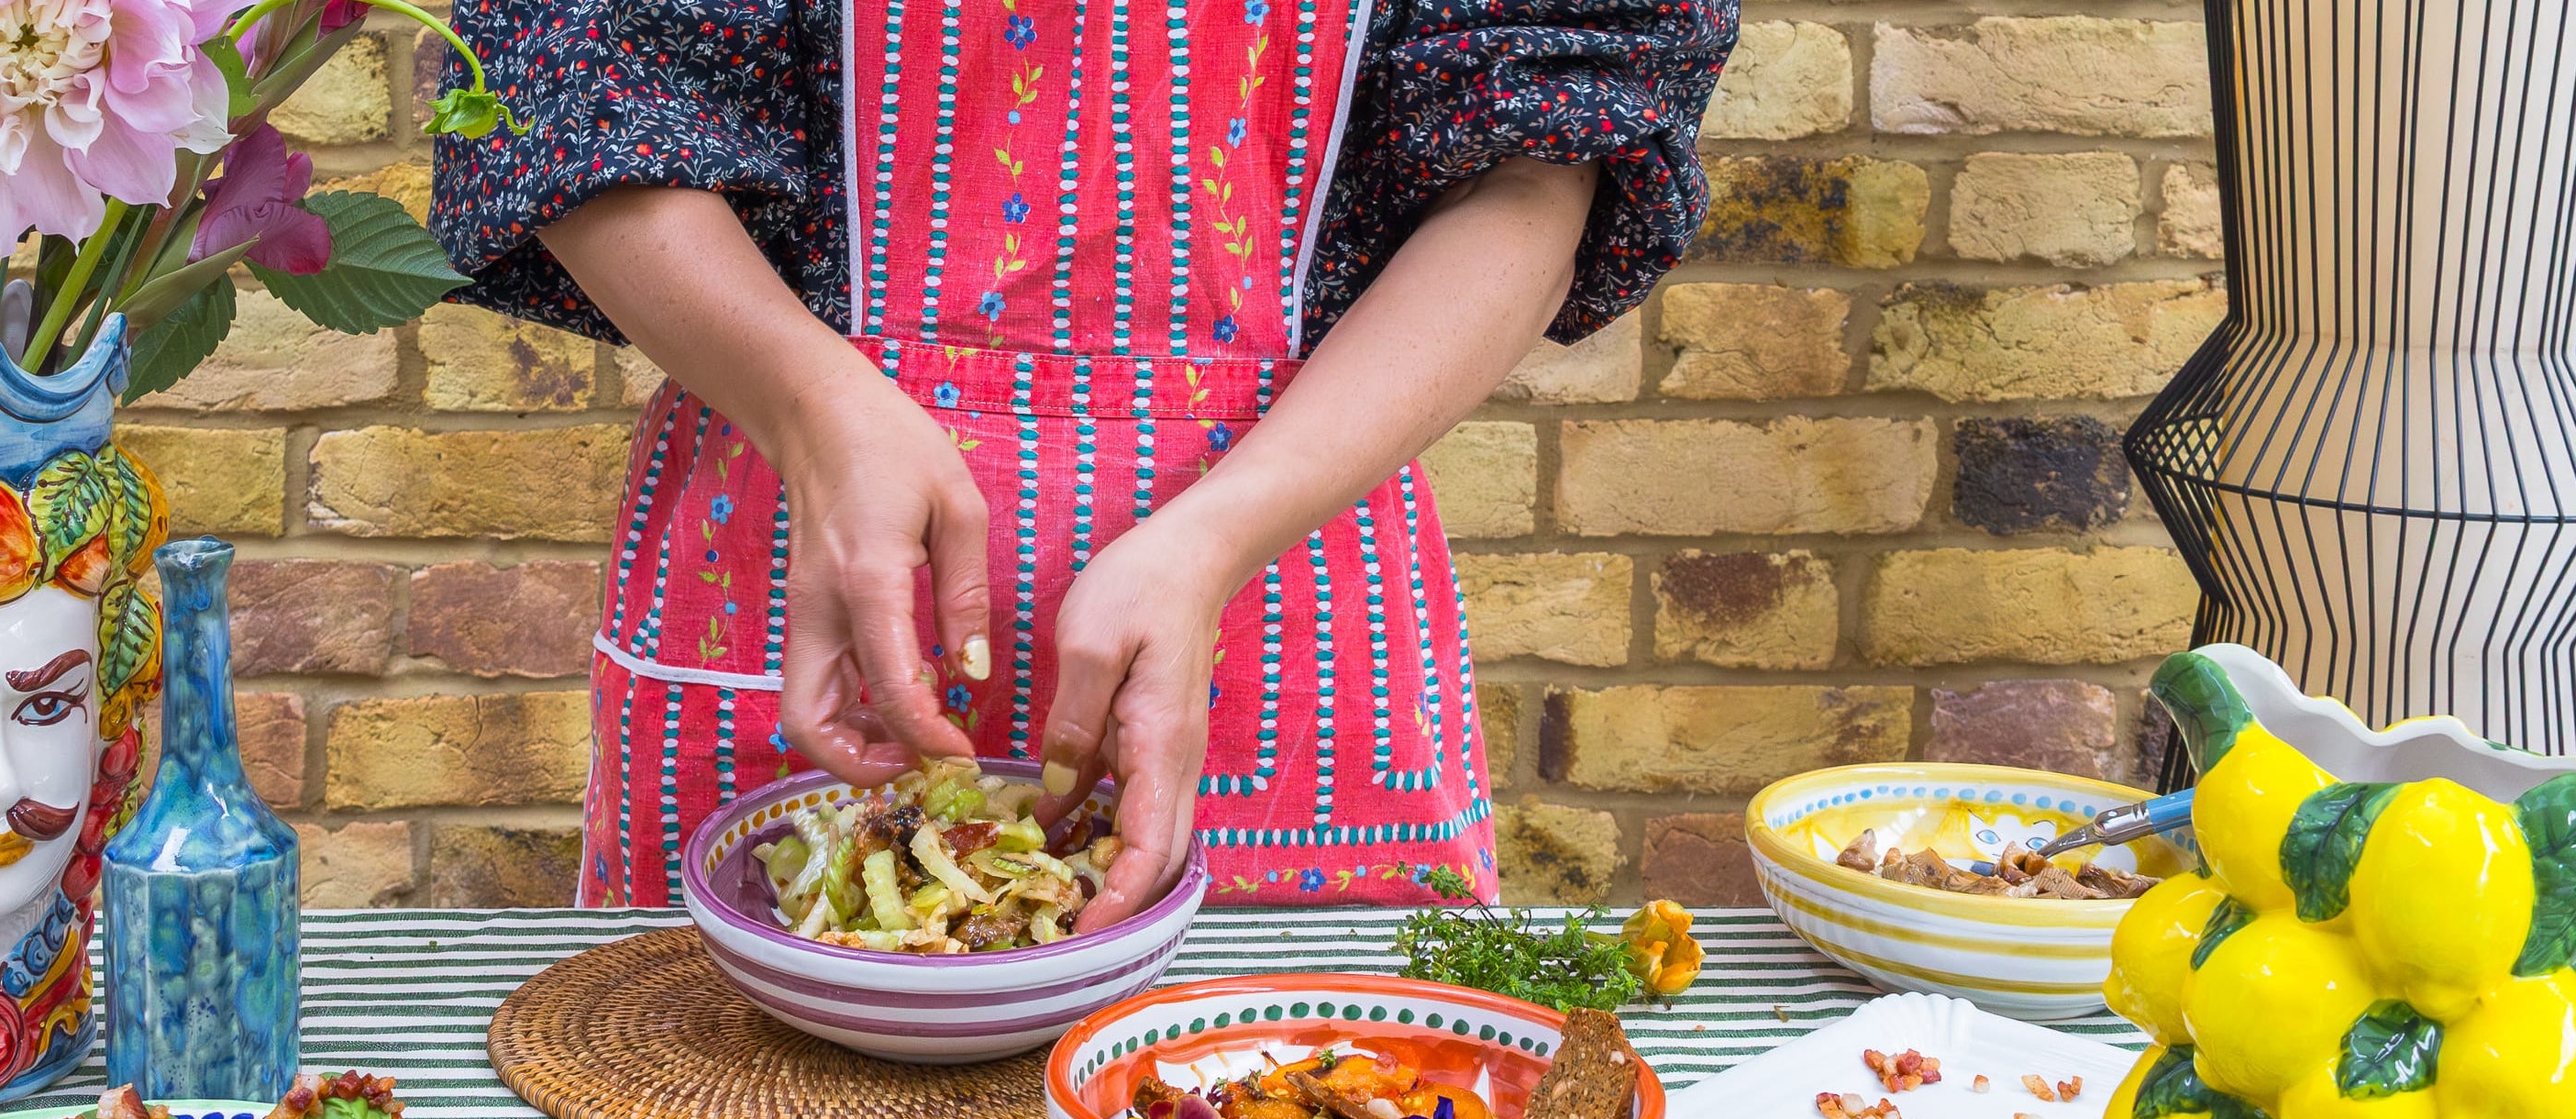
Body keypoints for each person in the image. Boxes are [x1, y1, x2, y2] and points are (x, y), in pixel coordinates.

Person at [431, 0, 1730, 927]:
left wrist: (1216, 536)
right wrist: (814, 408)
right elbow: (584, 95)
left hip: (1280, 571)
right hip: (807, 541)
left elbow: (1540, 172)